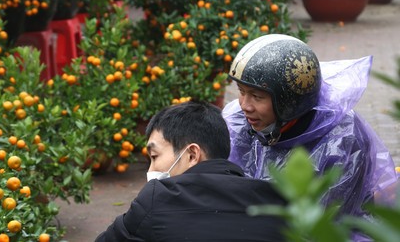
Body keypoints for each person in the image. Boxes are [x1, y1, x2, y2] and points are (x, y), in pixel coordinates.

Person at [223, 34, 398, 221]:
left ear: (289, 101)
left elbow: (327, 222)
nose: (244, 105)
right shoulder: (237, 120)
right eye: (241, 91)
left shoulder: (342, 138)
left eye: (257, 97)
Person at [95, 100, 288, 242]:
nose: (151, 169)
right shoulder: (274, 201)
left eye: (154, 156)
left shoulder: (157, 199)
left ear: (192, 155)